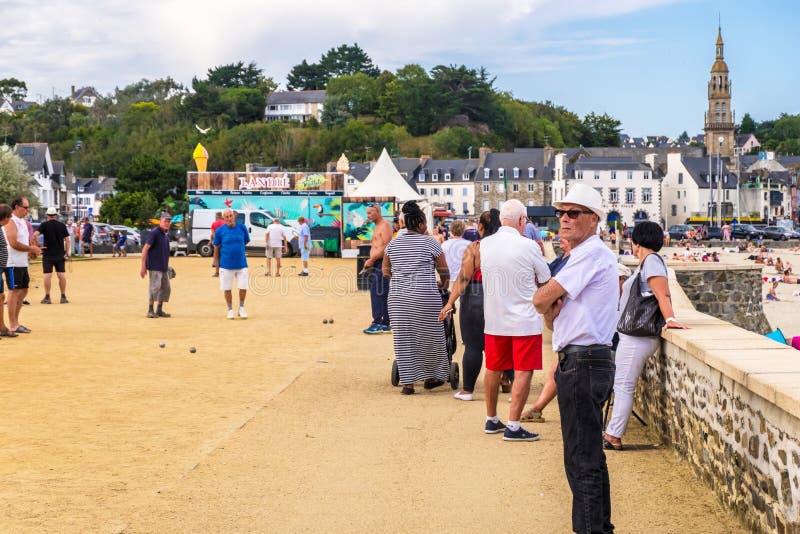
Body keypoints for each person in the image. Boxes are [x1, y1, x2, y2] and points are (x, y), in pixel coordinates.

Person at [532, 183, 618, 533]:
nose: (564, 220)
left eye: (573, 213)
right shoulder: (584, 254)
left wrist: (547, 302)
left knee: (582, 459)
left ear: (593, 219)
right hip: (583, 359)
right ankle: (600, 527)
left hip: (584, 362)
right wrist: (549, 305)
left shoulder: (590, 254)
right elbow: (553, 314)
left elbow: (542, 300)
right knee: (588, 458)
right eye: (561, 213)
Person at [603, 221, 688, 452]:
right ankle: (612, 433)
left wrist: (670, 319)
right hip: (633, 335)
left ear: (636, 241)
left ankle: (613, 435)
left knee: (623, 385)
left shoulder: (651, 261)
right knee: (623, 384)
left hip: (637, 336)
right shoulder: (648, 263)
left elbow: (663, 293)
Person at [479, 199, 551, 441]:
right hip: (523, 319)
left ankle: (491, 419)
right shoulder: (529, 245)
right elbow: (545, 278)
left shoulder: (485, 244)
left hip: (494, 317)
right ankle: (513, 424)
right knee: (523, 370)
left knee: (493, 367)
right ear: (522, 220)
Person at [383, 202, 450, 394]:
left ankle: (408, 384)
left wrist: (401, 280)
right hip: (425, 297)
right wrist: (441, 285)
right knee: (430, 337)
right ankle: (430, 377)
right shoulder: (430, 243)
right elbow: (444, 272)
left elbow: (386, 271)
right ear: (420, 224)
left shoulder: (393, 244)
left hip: (398, 298)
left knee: (404, 338)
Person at [439, 210, 502, 401]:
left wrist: (450, 302)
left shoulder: (475, 248)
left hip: (475, 297)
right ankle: (508, 382)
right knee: (502, 343)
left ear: (480, 227)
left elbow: (464, 277)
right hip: (501, 296)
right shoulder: (509, 247)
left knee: (473, 346)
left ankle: (468, 390)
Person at [520, 237, 573, 423]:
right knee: (557, 368)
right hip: (560, 321)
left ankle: (537, 408)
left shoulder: (574, 260)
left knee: (557, 368)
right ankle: (537, 408)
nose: (560, 240)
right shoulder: (560, 260)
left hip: (569, 324)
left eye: (564, 238)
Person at [4, 197, 42, 334]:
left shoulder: (23, 222)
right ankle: (12, 323)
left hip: (22, 262)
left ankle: (16, 321)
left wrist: (31, 252)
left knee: (24, 290)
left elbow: (25, 241)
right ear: (16, 207)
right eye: (25, 207)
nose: (27, 210)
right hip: (12, 262)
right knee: (14, 292)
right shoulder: (11, 221)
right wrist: (30, 249)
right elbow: (13, 243)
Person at [213, 208, 250, 319]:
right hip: (226, 265)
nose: (229, 218)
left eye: (231, 216)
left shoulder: (242, 228)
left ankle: (242, 308)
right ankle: (230, 310)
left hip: (242, 264)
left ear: (234, 215)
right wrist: (216, 267)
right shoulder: (219, 231)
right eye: (227, 217)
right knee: (227, 288)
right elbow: (216, 249)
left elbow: (245, 241)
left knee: (243, 286)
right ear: (223, 219)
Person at [363, 204, 393, 334]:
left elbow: (387, 246)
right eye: (367, 213)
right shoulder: (376, 226)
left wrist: (373, 259)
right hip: (377, 263)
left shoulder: (385, 225)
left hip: (382, 262)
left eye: (370, 213)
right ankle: (385, 323)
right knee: (382, 291)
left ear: (378, 212)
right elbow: (377, 245)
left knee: (377, 292)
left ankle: (378, 323)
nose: (368, 215)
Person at [34, 207, 71, 304]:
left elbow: (35, 235)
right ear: (56, 215)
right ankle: (63, 296)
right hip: (59, 254)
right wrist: (67, 252)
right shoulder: (62, 225)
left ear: (47, 215)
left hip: (47, 254)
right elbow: (67, 240)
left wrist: (38, 246)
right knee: (61, 275)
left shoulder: (44, 225)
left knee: (47, 275)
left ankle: (47, 296)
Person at [140, 212, 172, 318]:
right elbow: (145, 249)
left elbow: (164, 252)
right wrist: (143, 266)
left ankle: (159, 309)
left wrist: (168, 267)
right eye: (165, 221)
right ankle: (150, 310)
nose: (167, 223)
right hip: (155, 266)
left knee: (165, 288)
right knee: (154, 288)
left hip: (163, 267)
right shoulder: (154, 233)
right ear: (160, 221)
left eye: (169, 221)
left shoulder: (165, 235)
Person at [0, 204, 17, 337]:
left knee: (1, 297)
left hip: (1, 266)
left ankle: (2, 327)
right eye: (9, 216)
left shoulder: (0, 228)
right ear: (4, 217)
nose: (10, 219)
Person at [441, 220, 469, 286]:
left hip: (448, 279)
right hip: (464, 280)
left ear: (451, 230)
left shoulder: (445, 244)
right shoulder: (469, 244)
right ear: (463, 230)